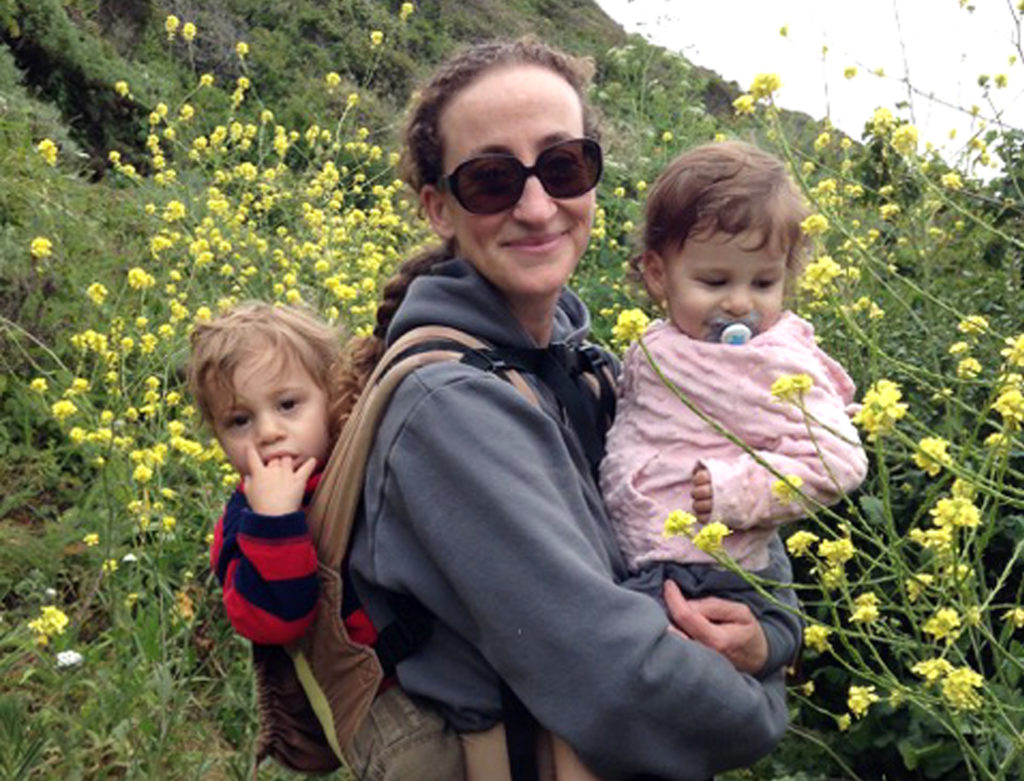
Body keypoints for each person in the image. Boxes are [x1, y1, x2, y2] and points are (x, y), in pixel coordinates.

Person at [338, 38, 803, 781]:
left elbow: (728, 534)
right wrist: (764, 704)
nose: (535, 206)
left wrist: (770, 637)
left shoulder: (590, 368)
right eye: (491, 179)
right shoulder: (448, 408)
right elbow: (619, 681)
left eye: (563, 166)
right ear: (438, 208)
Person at [599, 141, 868, 650]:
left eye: (764, 282)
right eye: (714, 280)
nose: (741, 303)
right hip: (641, 555)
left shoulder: (774, 361)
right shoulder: (658, 343)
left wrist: (736, 490)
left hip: (708, 571)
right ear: (658, 275)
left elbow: (839, 461)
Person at [190, 302, 463, 779]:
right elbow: (276, 620)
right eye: (240, 421)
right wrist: (275, 523)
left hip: (442, 662)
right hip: (379, 701)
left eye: (288, 405)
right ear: (216, 434)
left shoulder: (359, 456)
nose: (270, 433)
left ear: (330, 396)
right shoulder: (245, 519)